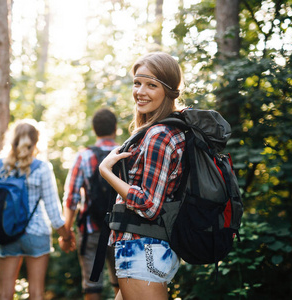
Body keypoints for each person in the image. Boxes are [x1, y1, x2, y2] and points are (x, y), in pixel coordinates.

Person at [98, 52, 186, 300]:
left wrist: (106, 172)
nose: (141, 91)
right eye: (137, 83)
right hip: (145, 250)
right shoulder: (170, 129)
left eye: (152, 85)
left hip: (142, 251)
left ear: (168, 91)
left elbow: (148, 205)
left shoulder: (159, 134)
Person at [0, 119, 75, 300]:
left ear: (13, 139)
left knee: (4, 293)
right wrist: (66, 236)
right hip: (37, 234)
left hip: (8, 231)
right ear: (36, 142)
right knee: (36, 293)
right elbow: (54, 214)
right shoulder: (42, 168)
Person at [62, 108, 120, 300]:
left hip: (90, 230)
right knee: (121, 284)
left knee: (92, 286)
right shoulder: (124, 152)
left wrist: (67, 232)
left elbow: (71, 198)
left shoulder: (83, 156)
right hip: (120, 230)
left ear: (94, 130)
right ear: (115, 128)